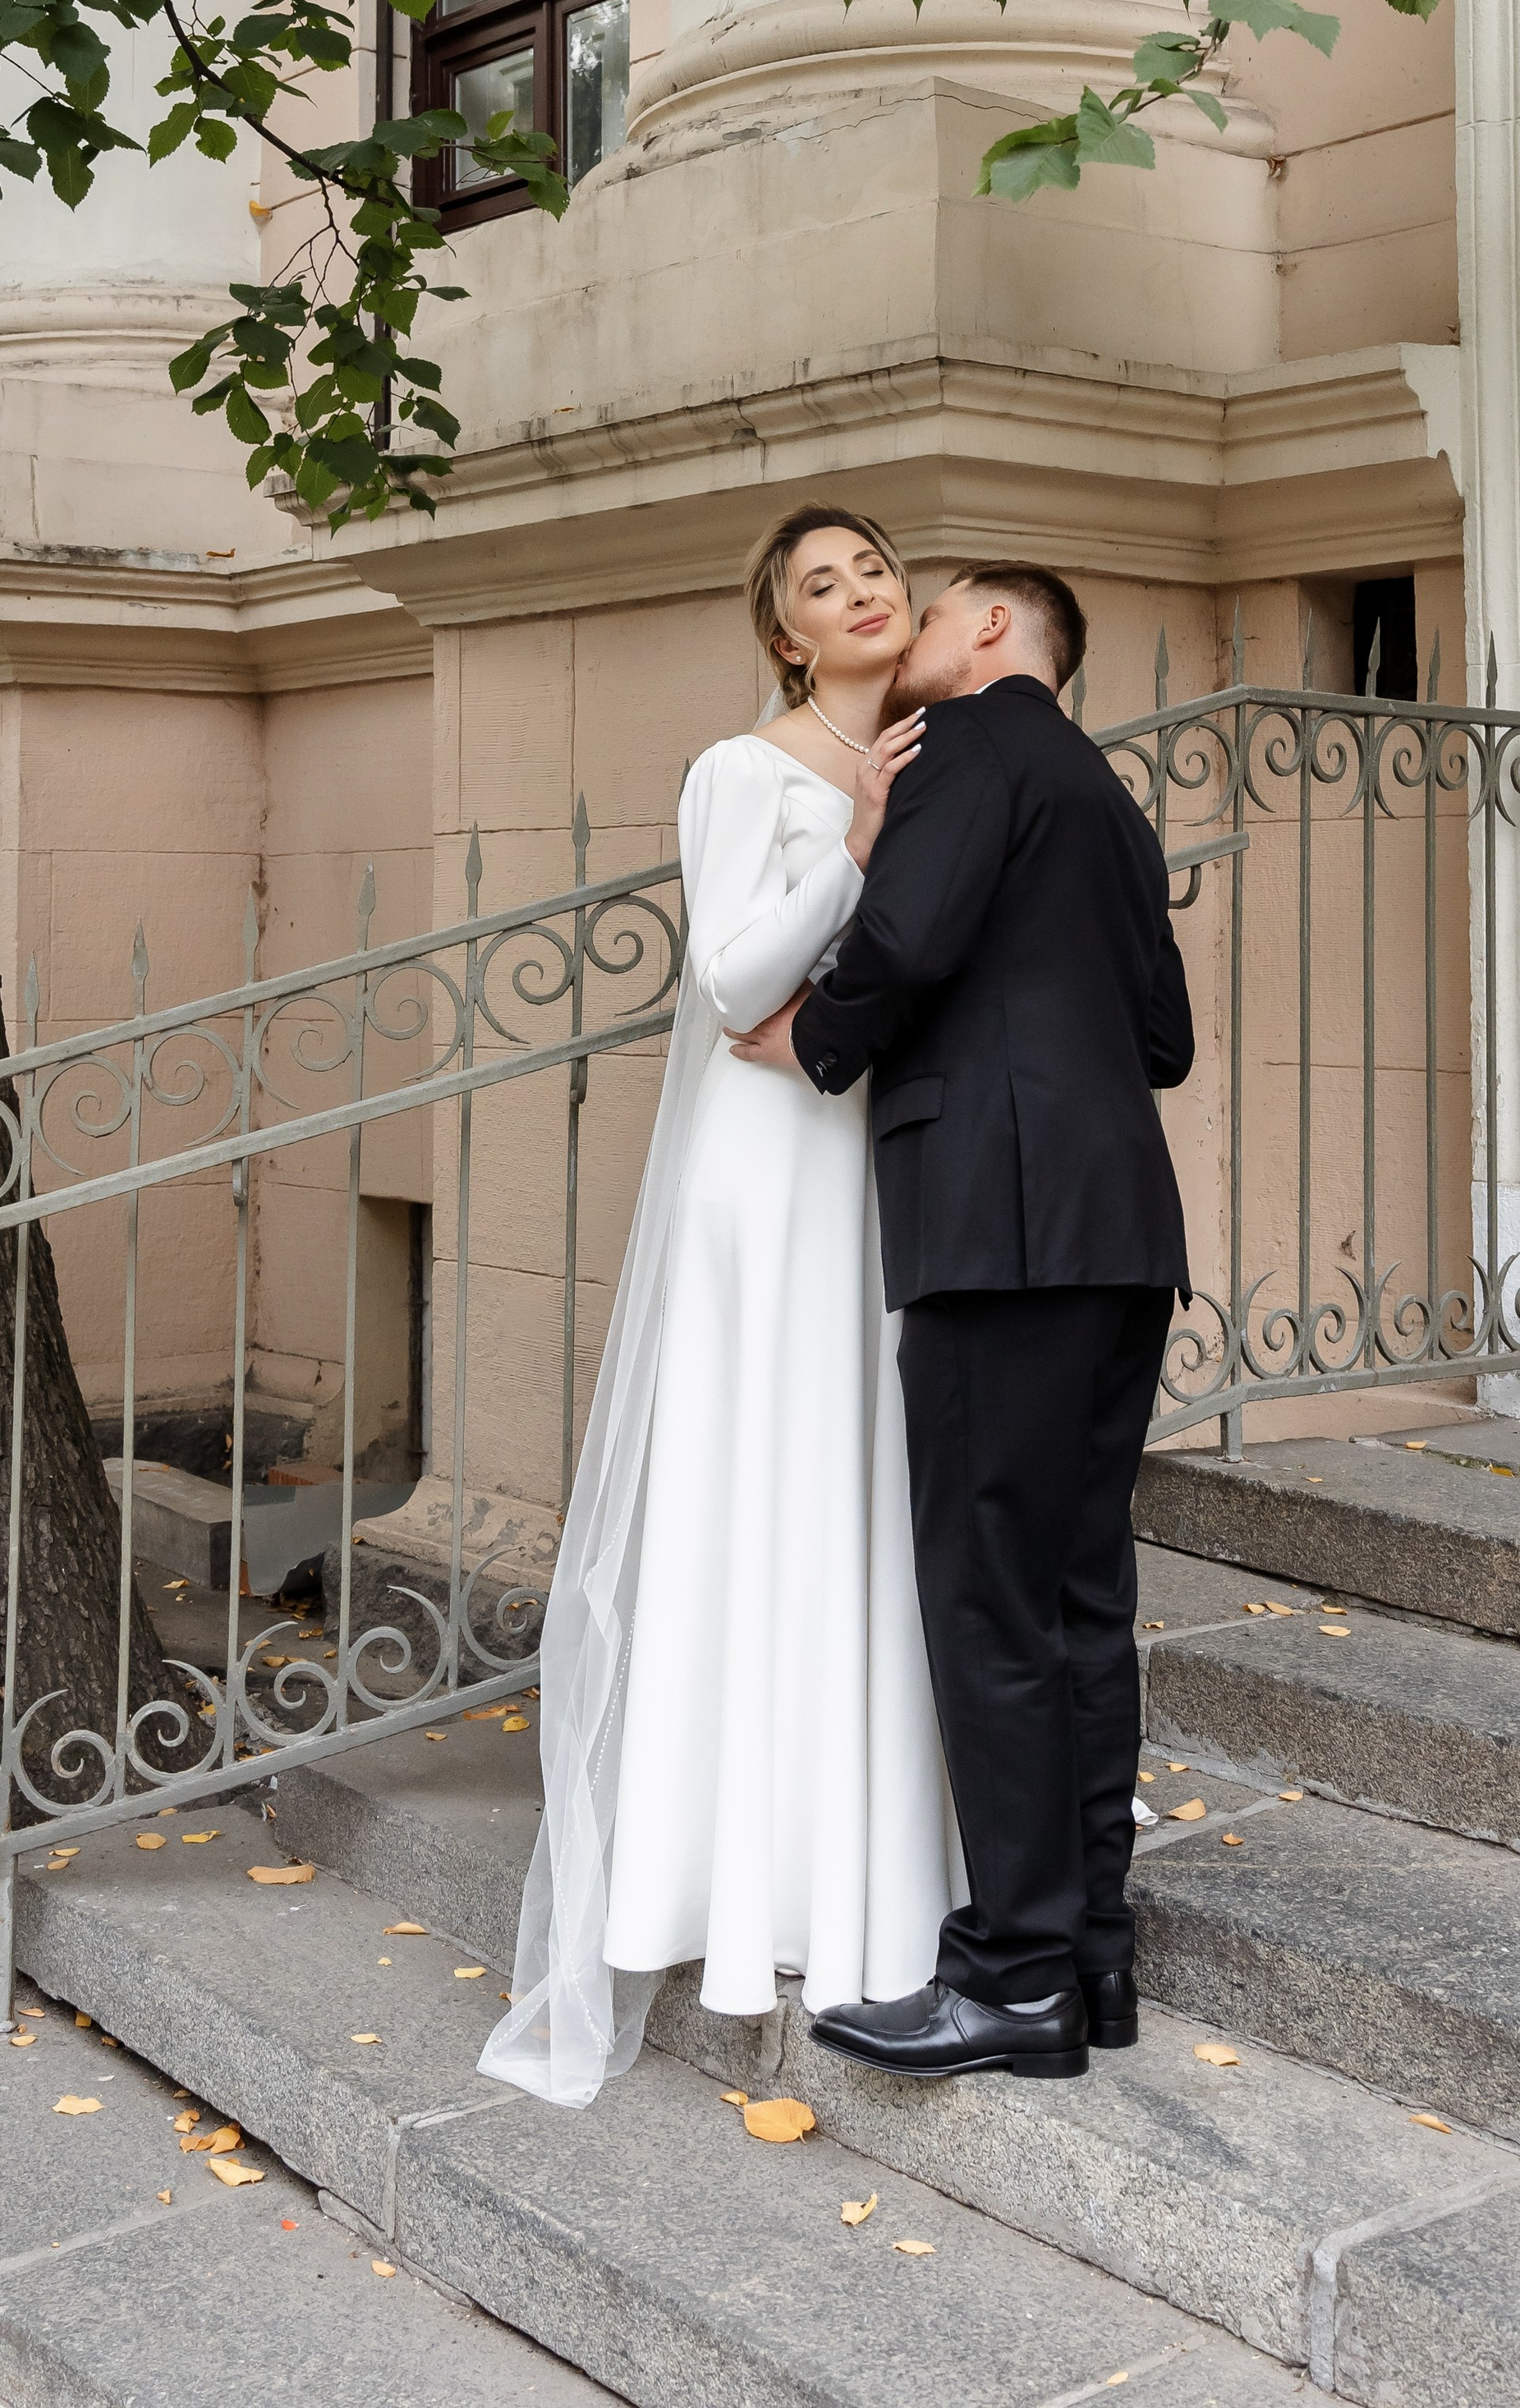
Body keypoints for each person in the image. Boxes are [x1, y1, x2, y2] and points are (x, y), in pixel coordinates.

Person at [477, 505, 964, 2109]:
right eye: (823, 583)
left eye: (875, 568)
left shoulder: (932, 756)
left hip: (872, 1157)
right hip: (766, 1173)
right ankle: (726, 1886)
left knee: (856, 1496)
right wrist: (860, 849)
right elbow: (736, 980)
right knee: (765, 1491)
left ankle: (865, 1869)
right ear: (784, 636)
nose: (862, 592)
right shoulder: (744, 772)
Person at [730, 561, 1194, 2082]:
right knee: (1080, 1603)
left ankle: (1011, 1978)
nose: (912, 628)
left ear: (993, 629)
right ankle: (1093, 1957)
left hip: (1001, 1234)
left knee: (991, 1605)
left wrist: (817, 1038)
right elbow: (1167, 1039)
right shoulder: (1106, 799)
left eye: (932, 610)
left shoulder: (967, 744)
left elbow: (911, 937)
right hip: (1122, 1239)